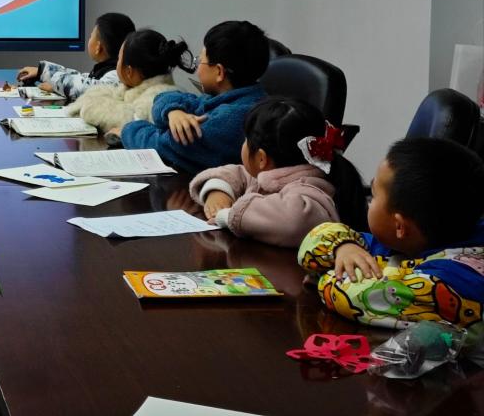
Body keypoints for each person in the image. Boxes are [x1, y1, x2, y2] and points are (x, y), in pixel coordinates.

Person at [299, 137, 484, 329]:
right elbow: (319, 234)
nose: (369, 202)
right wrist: (344, 247)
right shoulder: (415, 239)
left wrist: (323, 272)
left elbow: (352, 295)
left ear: (399, 226)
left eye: (373, 196)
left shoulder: (452, 282)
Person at [190, 97, 367, 248]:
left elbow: (293, 221)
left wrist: (230, 216)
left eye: (246, 140)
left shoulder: (309, 191)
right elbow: (237, 174)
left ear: (261, 158)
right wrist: (218, 191)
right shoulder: (270, 175)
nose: (243, 145)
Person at [113, 20, 270, 175]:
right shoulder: (235, 97)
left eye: (200, 61)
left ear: (219, 72)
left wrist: (127, 130)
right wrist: (173, 111)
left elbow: (161, 144)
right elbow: (170, 97)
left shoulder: (231, 120)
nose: (197, 68)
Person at [65, 29, 189, 132]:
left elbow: (132, 121)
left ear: (129, 71)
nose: (117, 63)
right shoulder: (133, 90)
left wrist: (92, 109)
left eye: (119, 59)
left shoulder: (156, 100)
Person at [16, 12, 135, 101]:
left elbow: (85, 89)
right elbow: (80, 77)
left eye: (91, 36)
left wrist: (51, 80)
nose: (89, 39)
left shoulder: (117, 76)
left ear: (98, 47)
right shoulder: (108, 71)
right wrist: (42, 71)